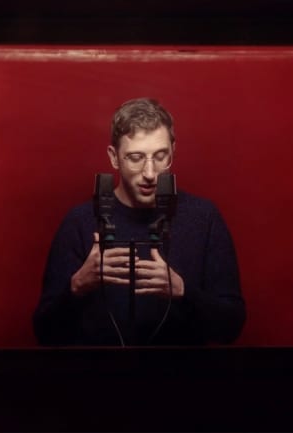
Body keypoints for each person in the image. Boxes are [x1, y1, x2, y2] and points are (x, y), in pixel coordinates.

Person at [33, 97, 245, 346]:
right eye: (135, 158)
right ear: (114, 157)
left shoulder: (204, 217)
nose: (150, 173)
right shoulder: (79, 222)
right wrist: (77, 286)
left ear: (173, 151)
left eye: (160, 156)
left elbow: (231, 326)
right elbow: (44, 333)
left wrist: (183, 292)